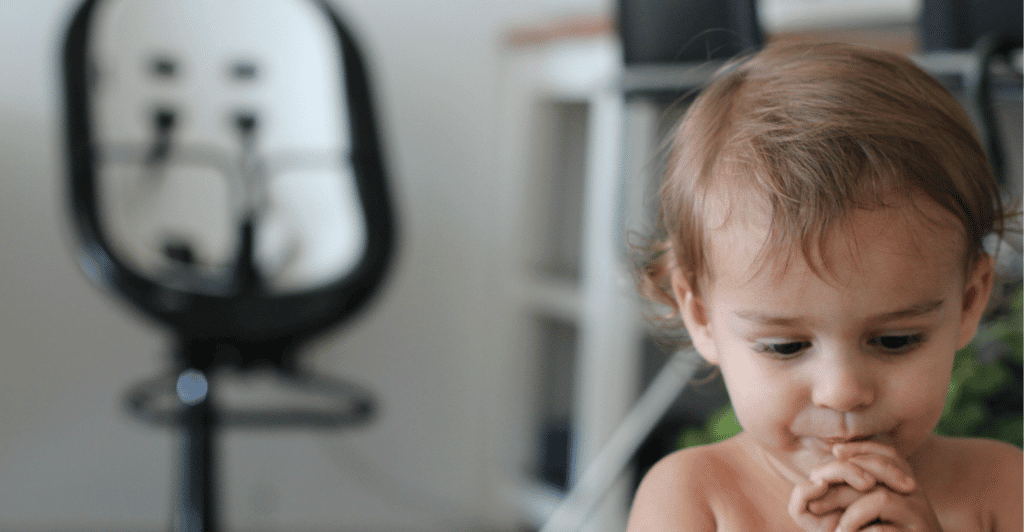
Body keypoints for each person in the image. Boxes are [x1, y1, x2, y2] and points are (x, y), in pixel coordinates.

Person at [626, 42, 1023, 531]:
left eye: (896, 340)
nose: (842, 393)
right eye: (785, 346)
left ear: (969, 301)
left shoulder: (1003, 488)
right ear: (701, 315)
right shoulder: (693, 496)